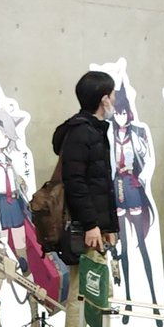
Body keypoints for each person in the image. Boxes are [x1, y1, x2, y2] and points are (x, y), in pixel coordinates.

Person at [51, 69, 120, 267]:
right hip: (84, 230)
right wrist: (91, 225)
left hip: (95, 228)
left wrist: (107, 227)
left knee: (98, 282)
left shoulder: (94, 131)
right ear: (104, 100)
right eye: (113, 94)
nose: (115, 99)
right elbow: (76, 183)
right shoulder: (82, 133)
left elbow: (98, 184)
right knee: (86, 283)